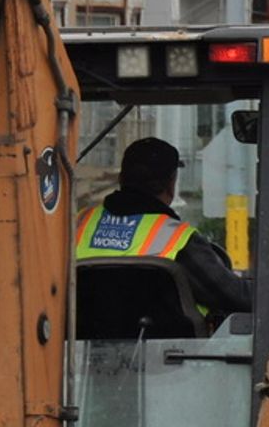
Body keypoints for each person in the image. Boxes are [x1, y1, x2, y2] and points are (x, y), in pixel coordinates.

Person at [75, 137, 253, 320]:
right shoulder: (179, 241)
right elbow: (235, 297)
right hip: (168, 348)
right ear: (171, 184)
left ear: (121, 179)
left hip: (76, 347)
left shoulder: (78, 223)